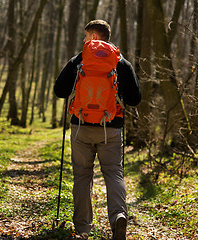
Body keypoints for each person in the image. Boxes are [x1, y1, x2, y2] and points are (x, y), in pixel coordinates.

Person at [54, 20, 141, 239]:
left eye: (86, 37)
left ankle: (83, 228)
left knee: (82, 176)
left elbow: (59, 91)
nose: (84, 41)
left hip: (81, 126)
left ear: (93, 37)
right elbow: (135, 99)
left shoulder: (78, 60)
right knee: (113, 173)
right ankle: (118, 216)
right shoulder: (121, 62)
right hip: (110, 129)